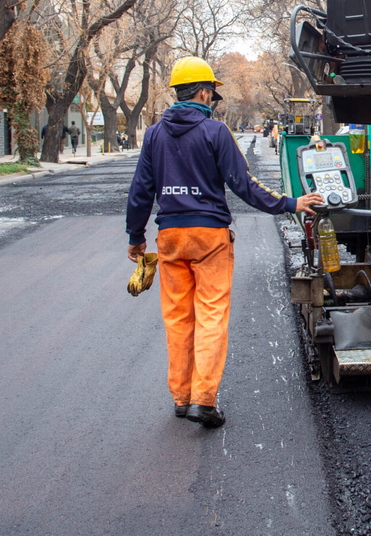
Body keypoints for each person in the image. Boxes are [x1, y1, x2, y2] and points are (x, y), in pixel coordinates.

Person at [126, 56, 323, 428]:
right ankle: (204, 399)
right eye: (212, 93)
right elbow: (244, 185)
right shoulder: (216, 132)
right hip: (210, 238)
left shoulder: (153, 134)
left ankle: (181, 398)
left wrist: (136, 238)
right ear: (203, 91)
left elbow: (140, 191)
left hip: (170, 237)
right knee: (211, 315)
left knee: (177, 318)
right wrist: (290, 203)